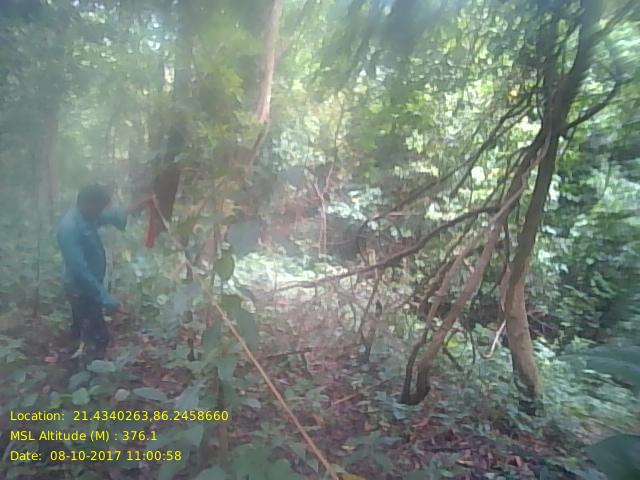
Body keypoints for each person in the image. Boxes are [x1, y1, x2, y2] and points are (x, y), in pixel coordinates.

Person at [56, 184, 151, 361]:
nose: (100, 212)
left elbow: (111, 215)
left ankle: (73, 361)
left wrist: (139, 205)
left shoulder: (87, 215)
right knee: (98, 337)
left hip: (86, 287)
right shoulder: (69, 228)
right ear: (87, 204)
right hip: (80, 289)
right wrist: (107, 299)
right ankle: (90, 371)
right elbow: (80, 271)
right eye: (98, 208)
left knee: (82, 327)